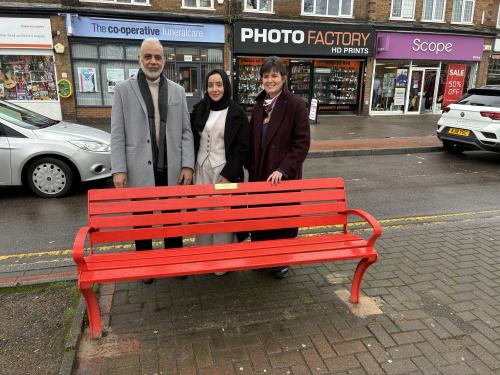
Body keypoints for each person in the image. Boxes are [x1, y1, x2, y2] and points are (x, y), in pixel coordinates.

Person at [110, 38, 195, 282]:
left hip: (171, 167)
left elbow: (186, 132)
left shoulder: (177, 91)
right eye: (148, 56)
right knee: (143, 220)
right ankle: (146, 267)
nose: (153, 61)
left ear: (164, 61)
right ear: (140, 59)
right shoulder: (123, 90)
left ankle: (175, 263)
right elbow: (117, 133)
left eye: (158, 57)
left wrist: (187, 164)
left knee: (173, 219)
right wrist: (119, 168)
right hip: (138, 167)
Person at [247, 56, 310, 279]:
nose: (270, 80)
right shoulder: (258, 105)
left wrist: (283, 170)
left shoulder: (296, 105)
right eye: (266, 76)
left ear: (284, 78)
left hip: (282, 177)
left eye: (274, 75)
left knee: (281, 220)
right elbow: (251, 141)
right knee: (261, 219)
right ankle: (262, 258)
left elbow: (301, 143)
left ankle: (280, 261)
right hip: (259, 175)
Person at [190, 69, 250, 275]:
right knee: (202, 215)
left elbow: (242, 147)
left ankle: (222, 261)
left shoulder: (237, 113)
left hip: (225, 172)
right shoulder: (199, 109)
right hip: (201, 170)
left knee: (222, 218)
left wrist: (228, 174)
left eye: (219, 84)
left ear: (226, 86)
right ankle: (204, 256)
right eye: (210, 85)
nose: (214, 89)